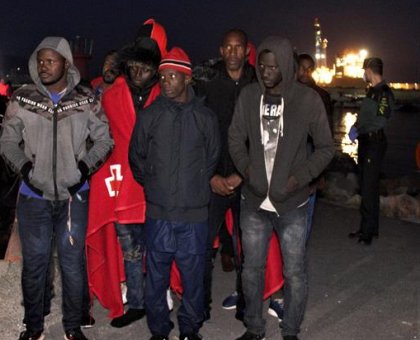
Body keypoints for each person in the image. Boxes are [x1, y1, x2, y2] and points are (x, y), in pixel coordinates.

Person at [0, 36, 113, 340]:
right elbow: (7, 142)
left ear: (66, 63)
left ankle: (72, 328)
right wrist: (25, 168)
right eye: (40, 60)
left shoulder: (86, 99)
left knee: (73, 265)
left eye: (50, 60)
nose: (43, 66)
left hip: (74, 197)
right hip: (33, 197)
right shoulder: (23, 98)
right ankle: (33, 327)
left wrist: (84, 169)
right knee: (34, 265)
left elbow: (105, 140)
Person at [228, 36, 334, 340]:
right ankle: (254, 328)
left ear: (287, 66)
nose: (266, 71)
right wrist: (247, 169)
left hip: (293, 203)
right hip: (254, 201)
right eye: (261, 64)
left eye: (273, 66)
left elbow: (326, 148)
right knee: (251, 269)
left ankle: (290, 331)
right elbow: (235, 137)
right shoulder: (249, 96)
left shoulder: (307, 100)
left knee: (294, 273)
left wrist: (299, 178)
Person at [130, 46, 219, 340]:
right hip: (159, 212)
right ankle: (159, 330)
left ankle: (190, 330)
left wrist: (192, 184)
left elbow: (212, 159)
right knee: (156, 277)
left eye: (172, 76)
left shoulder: (205, 117)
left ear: (187, 79)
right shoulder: (150, 115)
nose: (165, 81)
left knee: (193, 278)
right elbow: (137, 157)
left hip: (194, 215)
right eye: (162, 76)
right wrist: (155, 184)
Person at [86, 18, 168, 328]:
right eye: (132, 66)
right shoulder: (111, 95)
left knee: (160, 251)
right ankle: (136, 303)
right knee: (131, 252)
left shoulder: (167, 94)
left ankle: (157, 300)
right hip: (121, 187)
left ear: (155, 68)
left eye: (144, 68)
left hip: (158, 190)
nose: (137, 73)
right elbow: (102, 139)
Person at [193, 28, 256, 322]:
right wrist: (209, 176)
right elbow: (194, 133)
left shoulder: (258, 82)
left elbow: (265, 137)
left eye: (238, 47)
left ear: (246, 50)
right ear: (221, 50)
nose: (233, 53)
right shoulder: (205, 81)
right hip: (212, 177)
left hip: (247, 179)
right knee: (204, 246)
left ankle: (247, 302)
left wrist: (244, 175)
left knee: (249, 246)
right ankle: (200, 304)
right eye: (227, 47)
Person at [348, 57, 394, 245]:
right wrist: (356, 126)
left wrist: (360, 129)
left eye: (364, 70)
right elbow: (365, 115)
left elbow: (380, 121)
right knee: (368, 186)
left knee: (368, 188)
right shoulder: (371, 92)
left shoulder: (384, 93)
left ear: (369, 70)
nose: (363, 74)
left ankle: (367, 232)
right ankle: (369, 228)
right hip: (366, 142)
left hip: (375, 142)